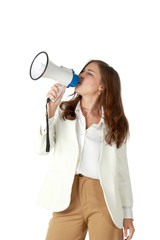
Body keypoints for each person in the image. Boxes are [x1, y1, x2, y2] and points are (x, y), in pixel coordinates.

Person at [34, 60, 135, 240]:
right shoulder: (64, 111)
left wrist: (127, 213)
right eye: (82, 71)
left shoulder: (115, 125)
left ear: (102, 87)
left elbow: (122, 172)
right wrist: (50, 112)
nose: (81, 75)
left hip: (104, 198)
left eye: (89, 73)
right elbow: (42, 149)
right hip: (67, 197)